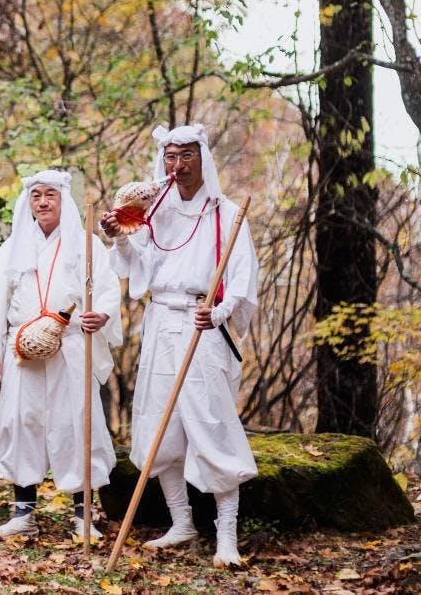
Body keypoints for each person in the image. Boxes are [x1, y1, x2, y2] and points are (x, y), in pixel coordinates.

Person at [100, 124, 259, 568]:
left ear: (203, 158)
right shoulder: (154, 213)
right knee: (159, 424)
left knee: (210, 422)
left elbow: (242, 277)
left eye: (187, 155)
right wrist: (120, 235)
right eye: (170, 156)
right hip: (160, 322)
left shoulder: (227, 214)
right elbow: (137, 267)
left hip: (202, 324)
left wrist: (219, 313)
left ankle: (227, 537)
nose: (178, 165)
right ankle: (182, 522)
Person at [0, 170, 122, 542]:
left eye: (50, 194)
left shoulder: (86, 245)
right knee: (22, 422)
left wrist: (101, 315)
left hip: (70, 345)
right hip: (23, 348)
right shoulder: (14, 246)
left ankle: (83, 516)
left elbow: (107, 290)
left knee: (77, 423)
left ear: (63, 199)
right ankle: (23, 514)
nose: (43, 202)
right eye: (36, 195)